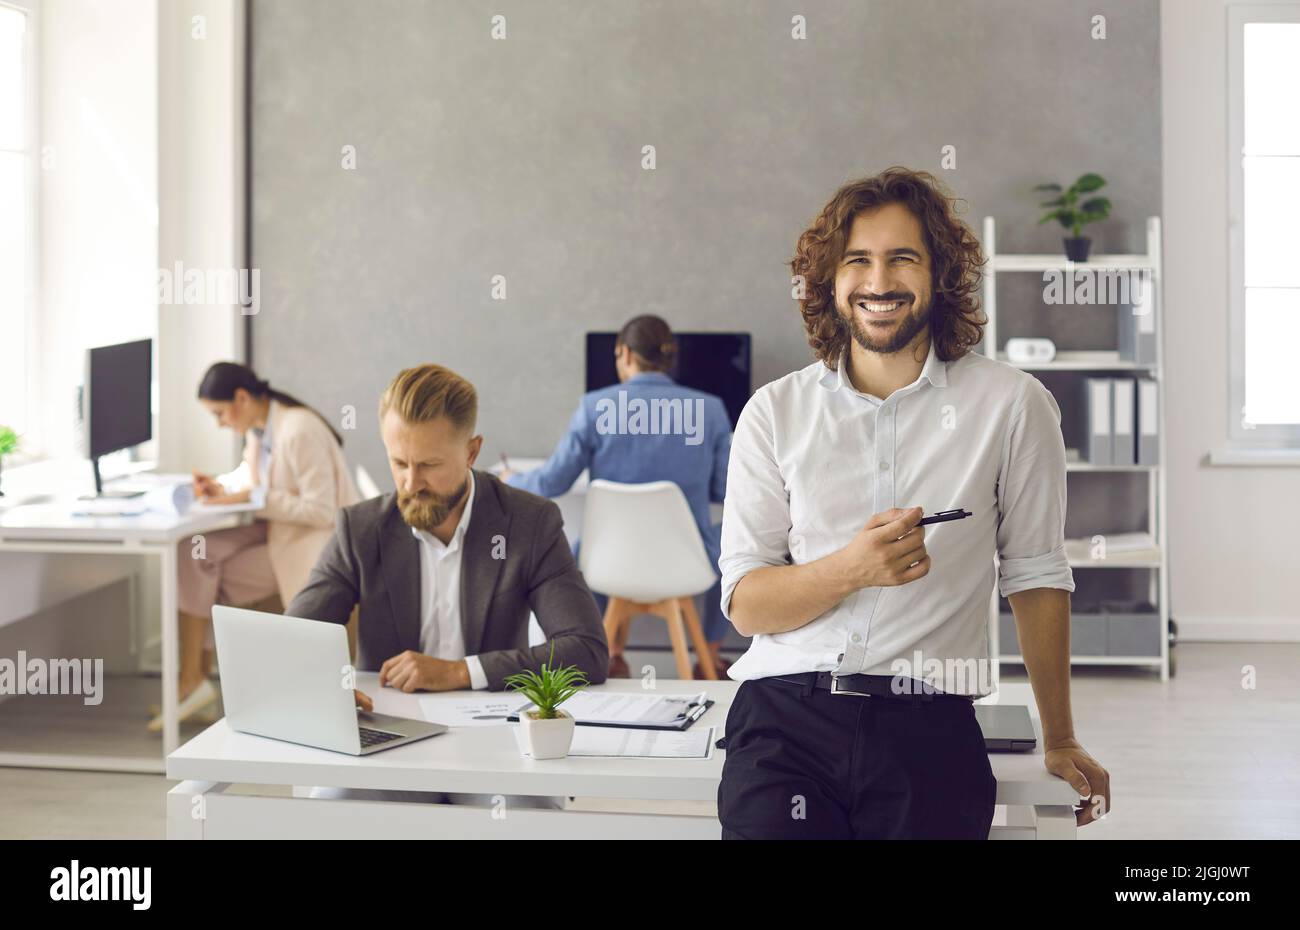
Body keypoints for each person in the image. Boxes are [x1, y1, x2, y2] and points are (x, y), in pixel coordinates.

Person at [716, 167, 1111, 839]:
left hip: (928, 724)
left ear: (939, 276)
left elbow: (1037, 575)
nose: (878, 282)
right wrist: (852, 568)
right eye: (858, 261)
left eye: (903, 258)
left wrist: (1061, 735)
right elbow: (747, 603)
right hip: (783, 722)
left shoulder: (1013, 405)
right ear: (829, 282)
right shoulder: (774, 412)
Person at [287, 362, 608, 693]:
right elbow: (290, 642)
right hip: (388, 724)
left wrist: (460, 673)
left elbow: (587, 651)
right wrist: (329, 691)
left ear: (472, 452)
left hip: (490, 726)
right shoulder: (359, 529)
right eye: (399, 463)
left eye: (429, 464)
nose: (411, 483)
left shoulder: (530, 523)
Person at [500, 315, 733, 680]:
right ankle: (712, 657)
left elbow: (553, 481)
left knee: (577, 547)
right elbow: (726, 490)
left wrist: (511, 478)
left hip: (609, 560)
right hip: (688, 562)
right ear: (667, 358)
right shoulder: (711, 410)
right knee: (737, 542)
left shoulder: (594, 408)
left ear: (624, 353)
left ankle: (609, 652)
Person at [149, 362, 359, 731]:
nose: (219, 424)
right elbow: (253, 477)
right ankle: (193, 677)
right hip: (278, 527)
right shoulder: (260, 430)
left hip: (313, 541)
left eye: (218, 414)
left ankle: (194, 682)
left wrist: (255, 496)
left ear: (241, 399)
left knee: (207, 573)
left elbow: (320, 508)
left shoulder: (298, 430)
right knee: (192, 553)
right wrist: (222, 487)